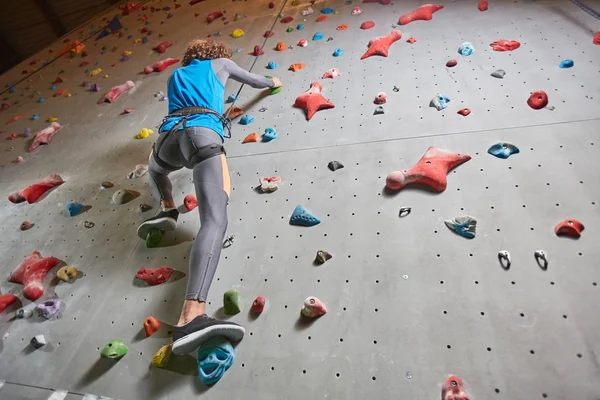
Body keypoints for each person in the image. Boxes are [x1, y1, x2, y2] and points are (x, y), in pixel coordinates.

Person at [137, 39, 282, 355]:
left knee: (156, 170)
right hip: (202, 134)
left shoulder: (175, 75)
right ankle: (192, 315)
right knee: (215, 220)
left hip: (168, 138)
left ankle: (167, 208)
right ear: (217, 54)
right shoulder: (222, 64)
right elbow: (256, 81)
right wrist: (274, 82)